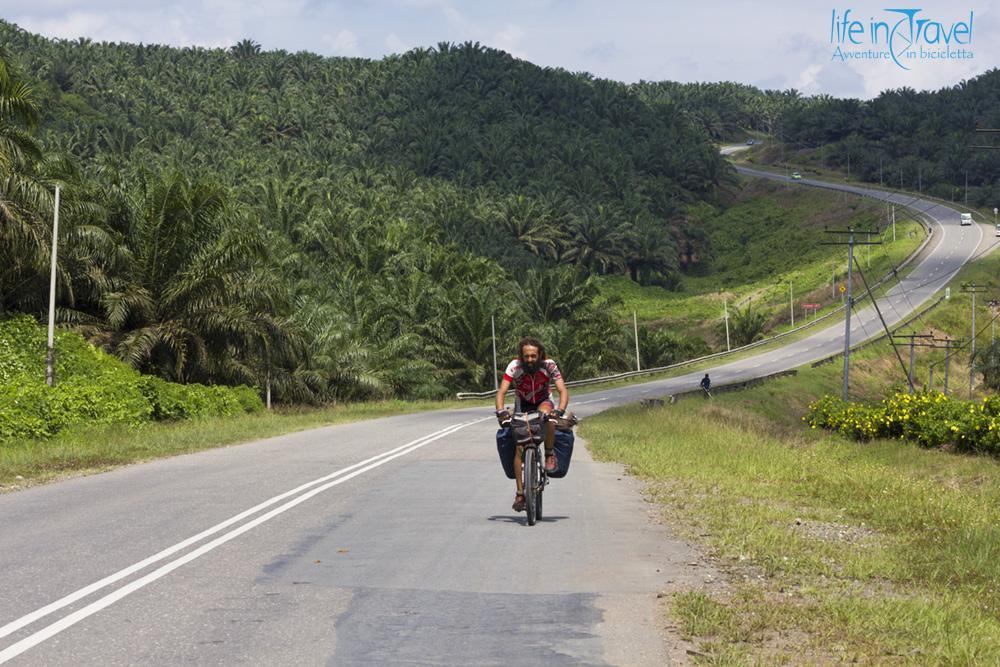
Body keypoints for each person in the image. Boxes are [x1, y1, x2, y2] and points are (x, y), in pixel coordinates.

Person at [495, 337, 569, 512]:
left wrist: (560, 409)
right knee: (519, 447)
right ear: (521, 356)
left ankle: (549, 454)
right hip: (523, 403)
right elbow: (502, 391)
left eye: (533, 356)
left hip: (543, 400)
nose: (529, 360)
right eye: (526, 356)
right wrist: (501, 411)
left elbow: (562, 389)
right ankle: (520, 493)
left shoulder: (549, 365)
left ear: (540, 355)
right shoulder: (514, 366)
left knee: (548, 416)